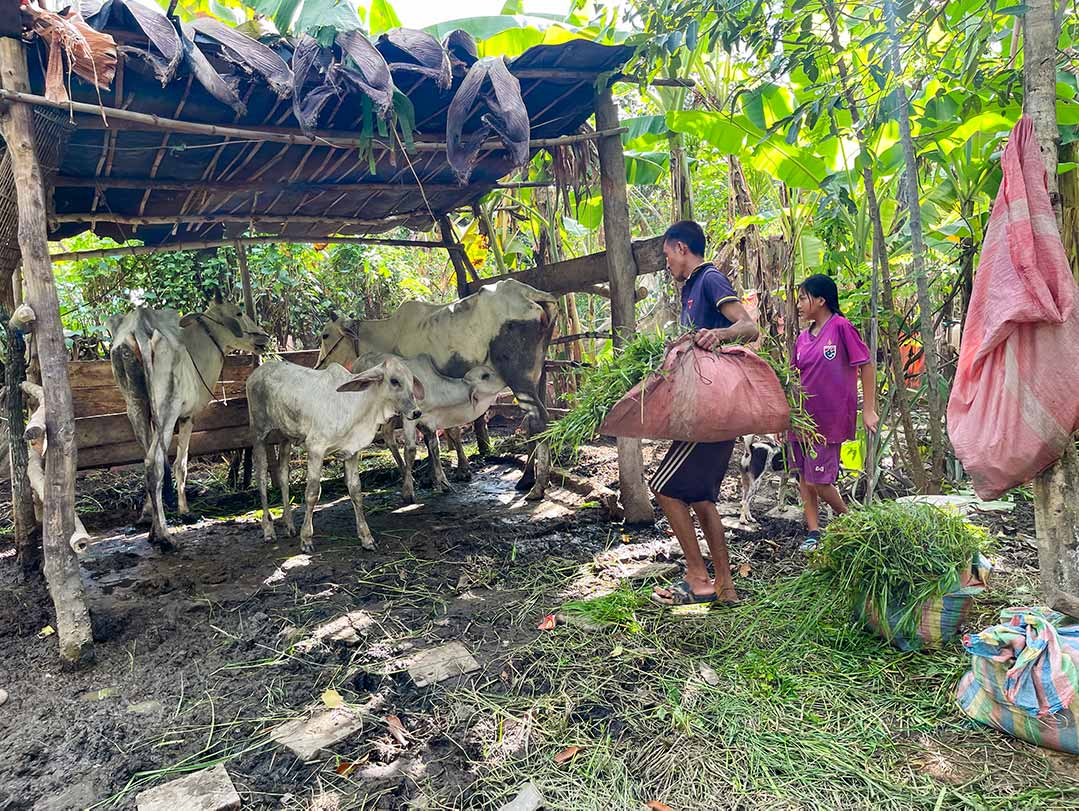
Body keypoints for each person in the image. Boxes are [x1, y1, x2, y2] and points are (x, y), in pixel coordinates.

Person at [650, 221, 759, 609]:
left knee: (663, 487)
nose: (668, 264)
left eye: (667, 256)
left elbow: (748, 326)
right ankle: (725, 587)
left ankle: (698, 577)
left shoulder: (709, 279)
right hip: (709, 409)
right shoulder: (691, 291)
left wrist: (721, 335)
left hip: (709, 411)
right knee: (701, 498)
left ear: (681, 248)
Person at [791, 274, 879, 552]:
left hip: (828, 419)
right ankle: (814, 531)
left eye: (804, 297)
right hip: (801, 419)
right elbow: (793, 376)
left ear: (821, 300)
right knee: (804, 477)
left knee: (820, 480)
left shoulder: (841, 327)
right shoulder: (803, 338)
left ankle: (850, 520)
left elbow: (866, 365)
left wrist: (868, 409)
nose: (800, 304)